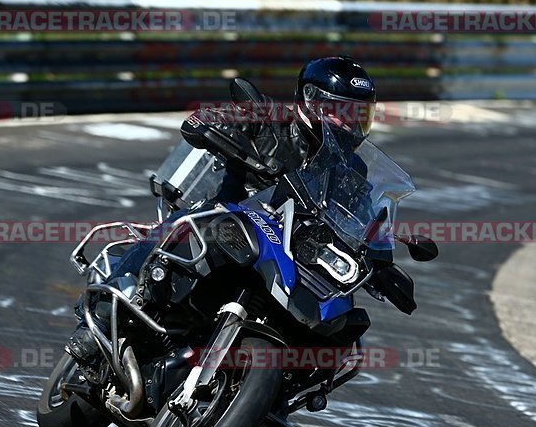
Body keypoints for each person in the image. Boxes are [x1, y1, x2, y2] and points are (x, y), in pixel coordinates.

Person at [66, 56, 377, 367]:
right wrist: (216, 122)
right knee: (186, 225)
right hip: (231, 223)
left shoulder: (353, 170)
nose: (349, 123)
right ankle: (107, 315)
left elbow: (358, 219)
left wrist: (379, 255)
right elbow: (216, 119)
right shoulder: (271, 120)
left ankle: (276, 395)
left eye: (358, 114)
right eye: (342, 112)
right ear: (311, 101)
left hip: (289, 254)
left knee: (339, 322)